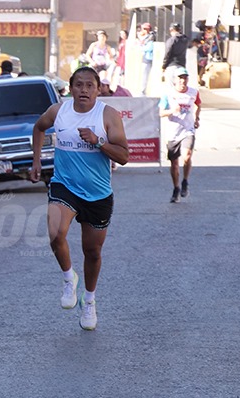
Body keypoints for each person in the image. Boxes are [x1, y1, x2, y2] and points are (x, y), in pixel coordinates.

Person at [30, 66, 130, 331]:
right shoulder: (58, 111)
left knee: (92, 252)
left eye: (89, 85)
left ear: (98, 89)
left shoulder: (108, 115)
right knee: (55, 233)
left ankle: (89, 300)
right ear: (71, 88)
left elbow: (123, 156)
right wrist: (36, 161)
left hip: (98, 193)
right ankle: (68, 278)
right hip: (65, 185)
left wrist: (98, 142)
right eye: (79, 85)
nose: (84, 90)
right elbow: (38, 128)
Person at [158, 67, 200, 203]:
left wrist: (197, 118)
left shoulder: (193, 92)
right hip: (173, 132)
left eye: (185, 78)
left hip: (188, 130)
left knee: (187, 156)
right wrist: (172, 111)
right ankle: (176, 188)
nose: (183, 81)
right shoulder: (168, 94)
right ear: (175, 80)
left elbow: (198, 104)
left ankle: (185, 181)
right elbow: (160, 112)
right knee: (174, 163)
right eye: (180, 78)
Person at [138, 22, 155, 96]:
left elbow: (149, 47)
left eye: (145, 29)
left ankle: (143, 91)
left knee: (145, 75)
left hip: (148, 59)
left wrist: (141, 47)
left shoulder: (150, 37)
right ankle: (142, 90)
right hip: (145, 58)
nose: (143, 30)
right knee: (143, 75)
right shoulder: (144, 37)